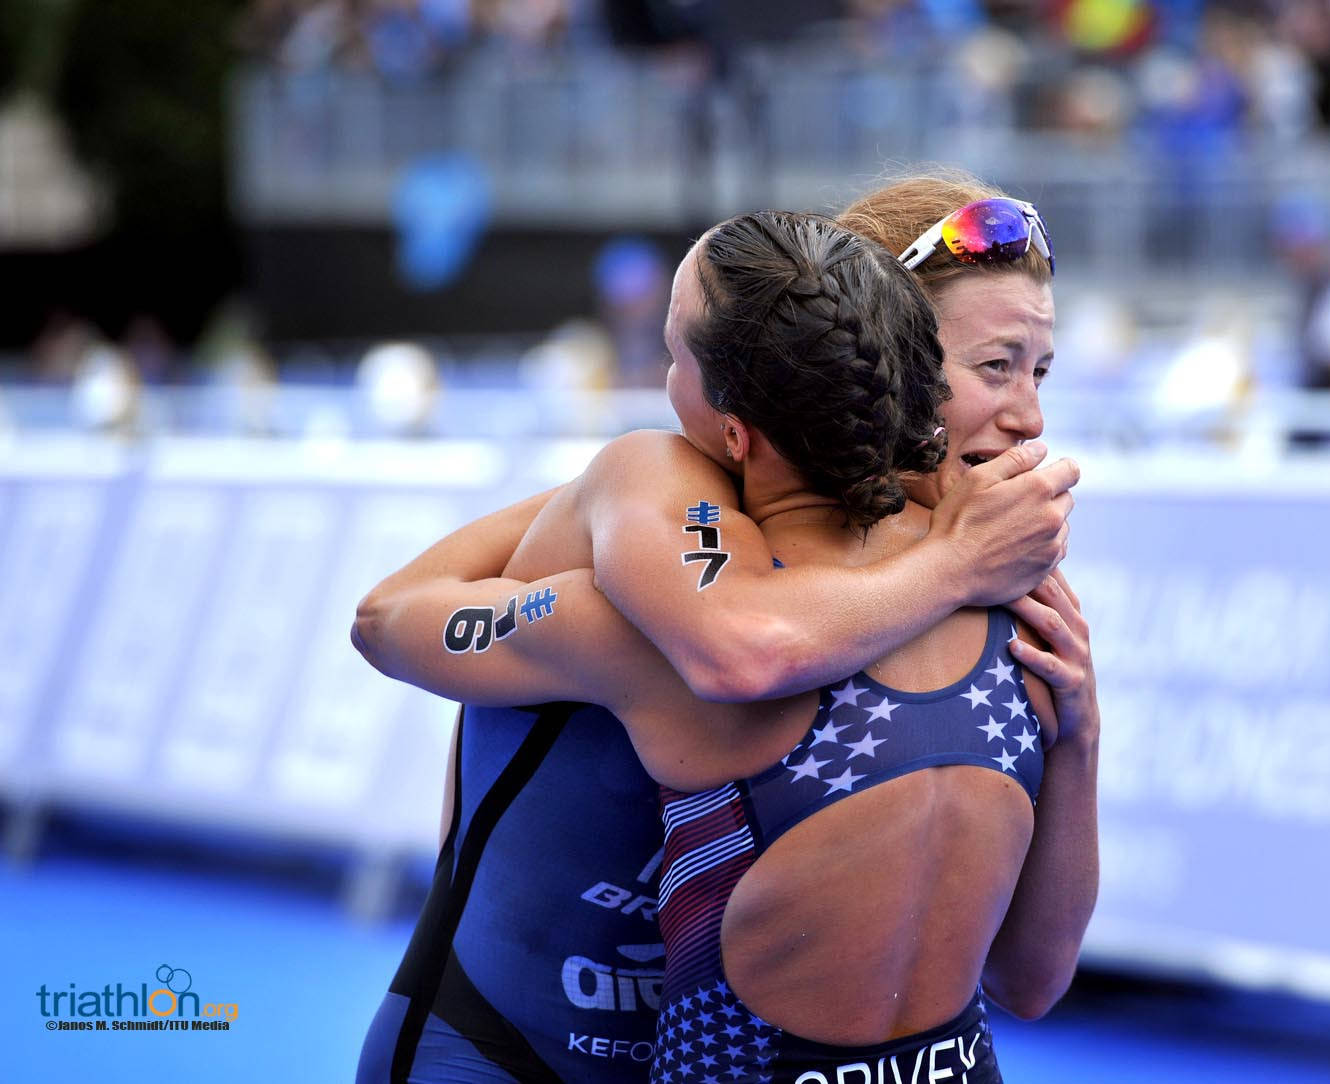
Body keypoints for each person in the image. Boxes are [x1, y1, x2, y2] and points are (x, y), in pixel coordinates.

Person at [353, 208, 1082, 1083]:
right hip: (504, 1041)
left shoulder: (1005, 584)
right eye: (995, 368)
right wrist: (955, 567)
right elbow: (739, 651)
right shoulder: (659, 494)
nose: (1029, 417)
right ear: (902, 376)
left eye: (1035, 371)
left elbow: (388, 618)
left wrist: (1067, 712)